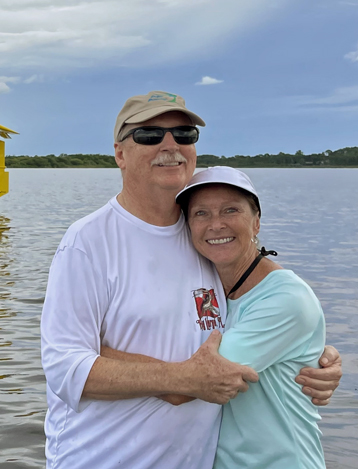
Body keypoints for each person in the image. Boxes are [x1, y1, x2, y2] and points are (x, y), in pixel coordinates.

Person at [40, 91, 342, 469]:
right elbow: (64, 368)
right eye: (149, 135)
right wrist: (182, 377)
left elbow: (257, 305)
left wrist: (311, 352)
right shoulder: (87, 242)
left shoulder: (200, 239)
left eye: (184, 134)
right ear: (119, 153)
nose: (170, 145)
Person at [175, 166, 325, 468]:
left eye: (230, 210)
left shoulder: (286, 298)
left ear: (256, 222)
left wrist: (97, 357)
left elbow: (191, 384)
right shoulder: (209, 289)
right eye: (201, 213)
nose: (216, 225)